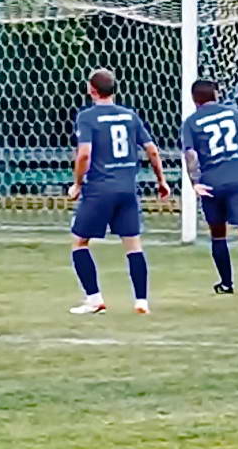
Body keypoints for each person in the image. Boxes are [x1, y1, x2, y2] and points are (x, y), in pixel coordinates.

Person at [66, 69, 170, 316]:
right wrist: (161, 180)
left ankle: (94, 299)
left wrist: (77, 184)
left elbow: (84, 154)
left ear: (91, 90)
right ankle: (141, 301)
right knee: (133, 245)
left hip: (99, 189)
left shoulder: (87, 117)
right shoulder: (129, 116)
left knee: (79, 243)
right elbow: (152, 150)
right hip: (127, 189)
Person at [181, 79, 238, 298]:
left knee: (218, 234)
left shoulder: (191, 122)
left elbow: (190, 154)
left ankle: (226, 283)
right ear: (216, 95)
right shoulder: (234, 113)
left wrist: (195, 182)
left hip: (211, 183)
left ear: (194, 99)